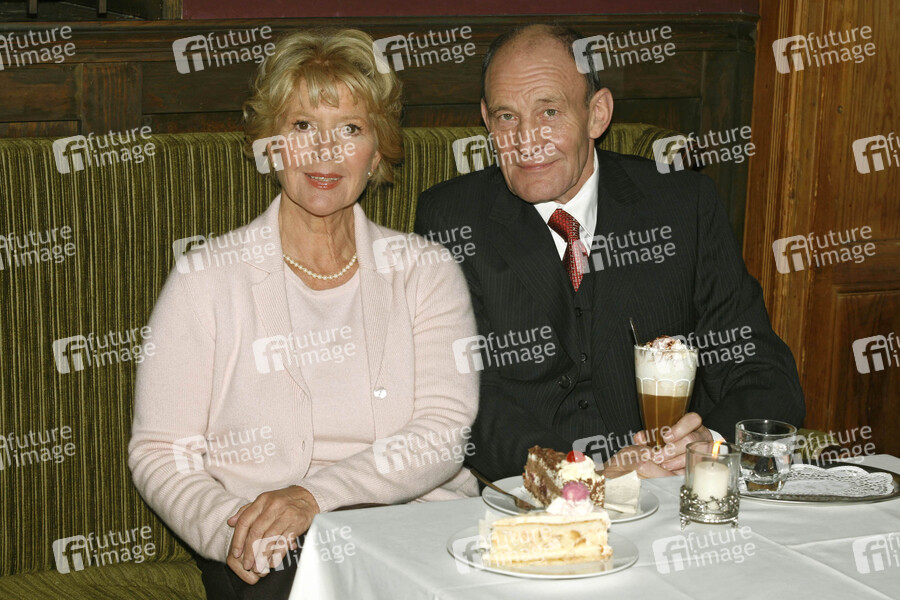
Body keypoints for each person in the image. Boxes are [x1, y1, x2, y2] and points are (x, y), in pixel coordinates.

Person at [128, 28, 478, 599]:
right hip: (269, 546)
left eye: (350, 128)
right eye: (302, 127)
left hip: (413, 527)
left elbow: (442, 434)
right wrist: (233, 530)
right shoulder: (204, 278)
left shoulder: (426, 270)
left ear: (377, 150)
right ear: (272, 146)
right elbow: (162, 451)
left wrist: (314, 497)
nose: (325, 151)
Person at [414, 24, 804, 483]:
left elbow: (759, 366)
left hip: (671, 488)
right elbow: (464, 396)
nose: (526, 141)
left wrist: (709, 443)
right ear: (486, 119)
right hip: (532, 494)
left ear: (597, 114)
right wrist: (580, 476)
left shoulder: (683, 205)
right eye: (506, 117)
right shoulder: (451, 218)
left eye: (550, 112)